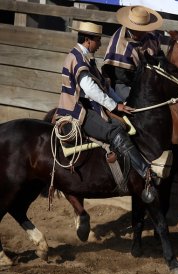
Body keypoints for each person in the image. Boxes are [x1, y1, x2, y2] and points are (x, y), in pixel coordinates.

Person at [55, 21, 154, 188]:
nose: (100, 44)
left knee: (122, 123)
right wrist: (115, 107)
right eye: (98, 40)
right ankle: (144, 171)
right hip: (77, 110)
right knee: (115, 130)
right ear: (88, 40)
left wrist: (119, 103)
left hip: (88, 105)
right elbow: (91, 89)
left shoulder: (84, 57)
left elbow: (104, 86)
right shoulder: (78, 58)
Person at [102, 5, 164, 101]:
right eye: (139, 29)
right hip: (125, 83)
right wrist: (143, 85)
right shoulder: (119, 44)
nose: (142, 32)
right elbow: (121, 76)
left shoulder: (153, 36)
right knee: (135, 102)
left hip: (152, 79)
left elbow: (160, 56)